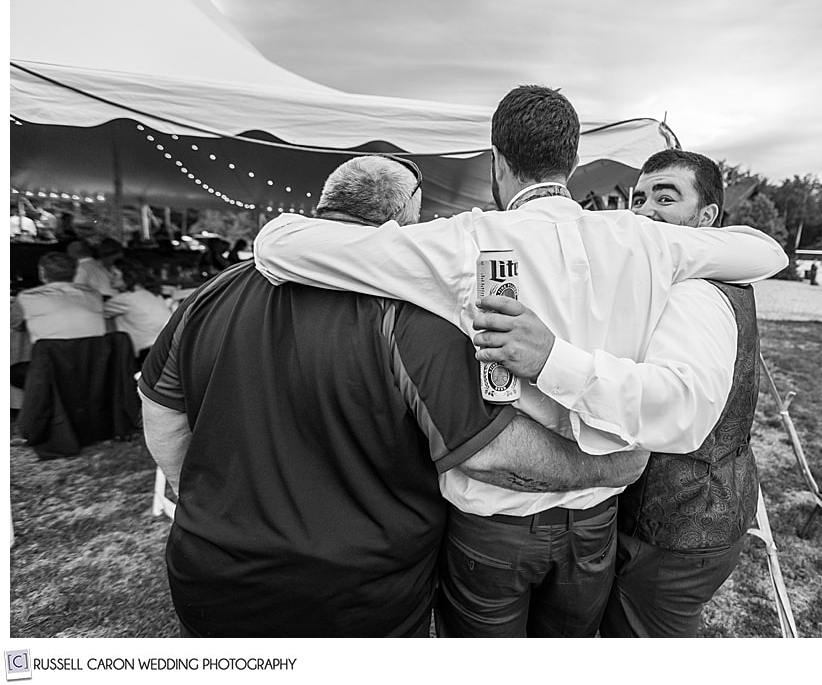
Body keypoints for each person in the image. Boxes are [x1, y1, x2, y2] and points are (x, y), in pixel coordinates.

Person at [252, 85, 788, 636]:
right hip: (597, 520)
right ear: (573, 161)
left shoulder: (465, 240)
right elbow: (766, 251)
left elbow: (277, 244)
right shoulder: (647, 239)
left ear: (497, 162)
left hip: (494, 524)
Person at [139, 155, 646, 638]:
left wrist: (203, 499)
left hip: (212, 569)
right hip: (358, 589)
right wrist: (609, 468)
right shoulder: (407, 315)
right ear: (404, 218)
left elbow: (161, 411)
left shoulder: (211, 295)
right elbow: (488, 454)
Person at [578, 148, 762, 637]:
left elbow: (674, 402)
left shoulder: (693, 290)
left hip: (677, 525)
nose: (646, 211)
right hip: (713, 506)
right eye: (639, 198)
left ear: (706, 217)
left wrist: (552, 361)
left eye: (666, 197)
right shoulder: (716, 274)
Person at [10, 252, 106, 388]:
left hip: (50, 368)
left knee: (14, 371)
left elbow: (15, 324)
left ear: (42, 272)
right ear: (74, 273)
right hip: (92, 367)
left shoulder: (27, 297)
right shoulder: (95, 296)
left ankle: (25, 405)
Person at [103, 258, 172, 364]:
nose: (110, 277)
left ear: (127, 276)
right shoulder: (151, 294)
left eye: (115, 274)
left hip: (145, 355)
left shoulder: (125, 299)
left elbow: (98, 313)